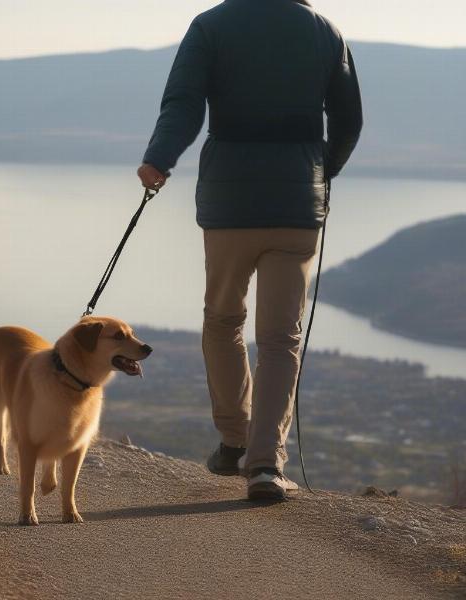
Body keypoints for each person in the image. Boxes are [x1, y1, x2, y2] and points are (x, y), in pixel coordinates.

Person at [137, 0, 362, 500]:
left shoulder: (211, 26)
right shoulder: (325, 31)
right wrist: (321, 172)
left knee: (222, 320)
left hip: (229, 201)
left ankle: (234, 440)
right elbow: (348, 120)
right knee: (281, 338)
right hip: (297, 205)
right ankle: (265, 465)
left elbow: (184, 103)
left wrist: (159, 157)